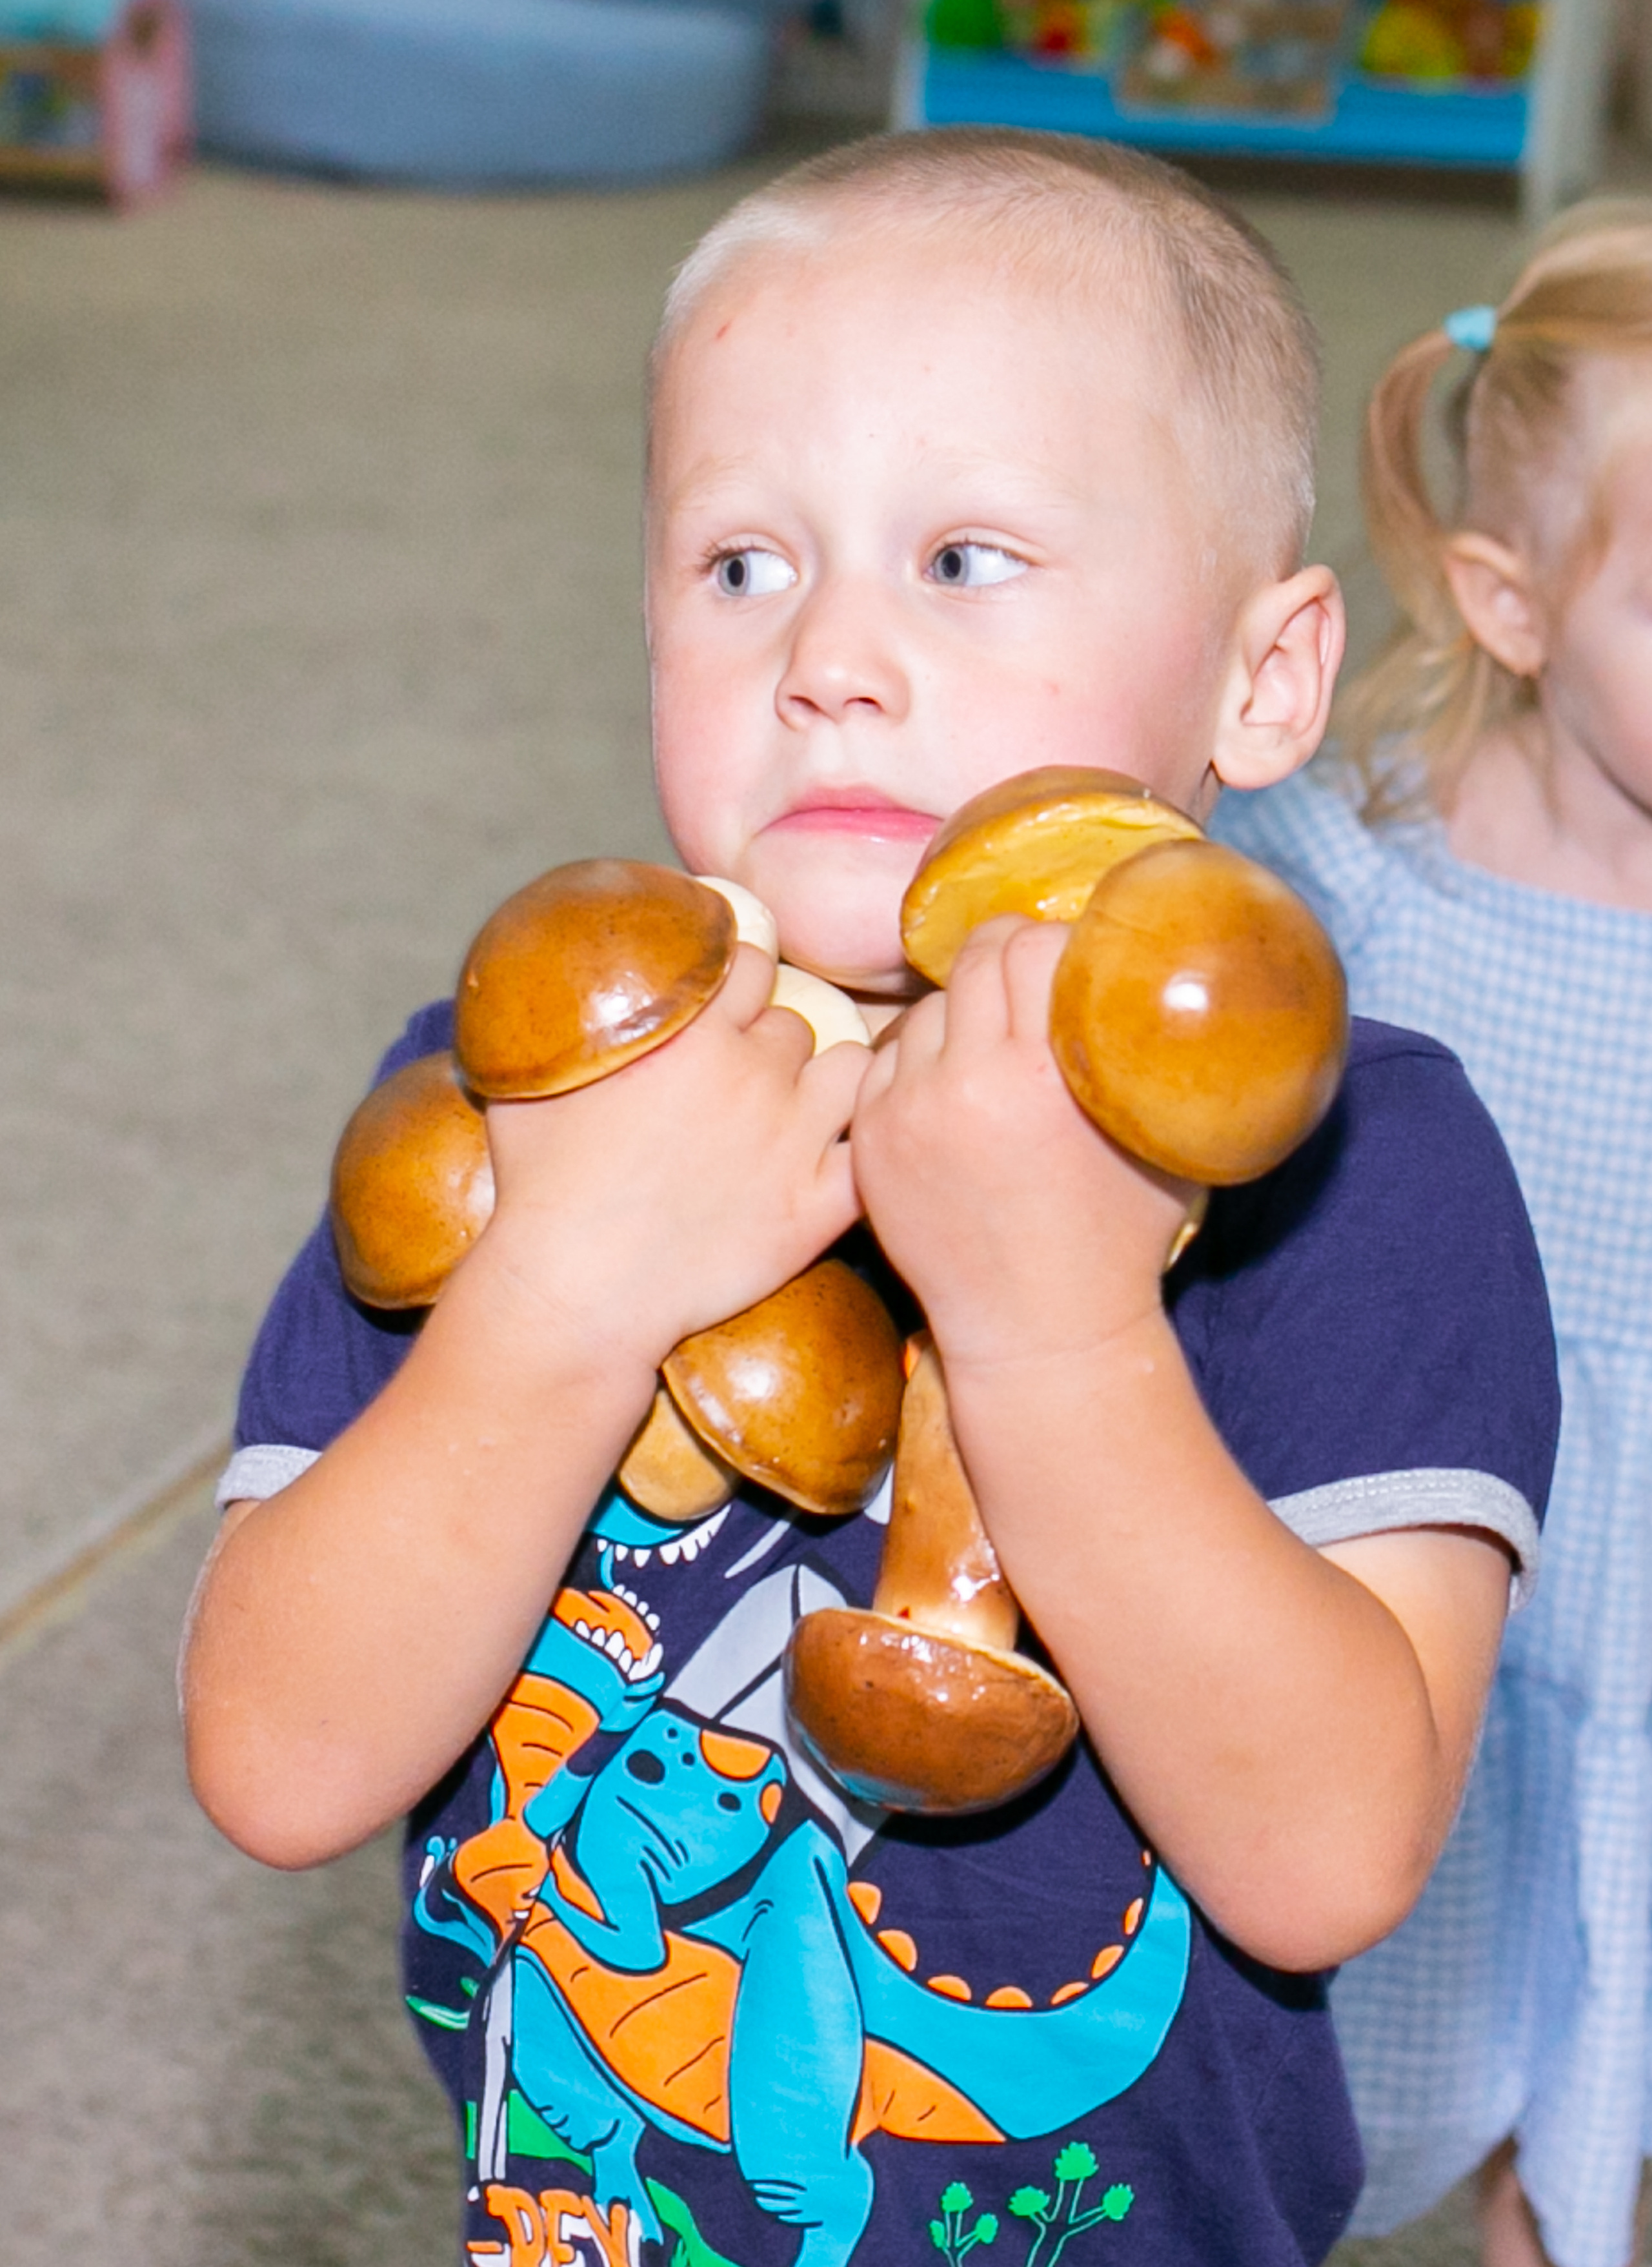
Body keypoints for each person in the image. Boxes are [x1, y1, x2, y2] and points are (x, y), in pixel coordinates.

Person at [182, 130, 1558, 2267]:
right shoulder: (512, 1103)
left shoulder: (1364, 1166)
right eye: (742, 564)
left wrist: (1055, 1328)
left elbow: (1322, 1858)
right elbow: (278, 1762)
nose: (827, 652)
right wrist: (562, 1294)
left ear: (1263, 679)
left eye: (964, 557)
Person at [1214, 200, 1652, 2267]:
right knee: (1301, 2068)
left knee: (1610, 2117)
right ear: (1511, 601)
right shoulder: (1348, 889)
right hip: (1432, 1573)